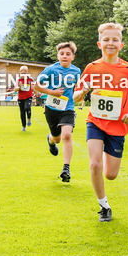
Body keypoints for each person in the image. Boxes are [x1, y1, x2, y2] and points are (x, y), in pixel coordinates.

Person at [74, 23, 128, 222]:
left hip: (118, 125)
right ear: (99, 43)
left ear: (121, 44)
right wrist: (84, 90)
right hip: (95, 122)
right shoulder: (92, 68)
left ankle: (106, 153)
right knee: (95, 165)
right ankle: (104, 206)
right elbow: (77, 97)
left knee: (110, 174)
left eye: (115, 40)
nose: (110, 43)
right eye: (106, 39)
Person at [35, 42, 82, 182]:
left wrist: (83, 92)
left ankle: (66, 168)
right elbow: (36, 85)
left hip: (67, 108)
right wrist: (51, 92)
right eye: (62, 54)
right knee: (57, 138)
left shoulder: (76, 71)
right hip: (51, 108)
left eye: (68, 54)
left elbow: (79, 89)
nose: (65, 56)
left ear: (73, 57)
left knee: (67, 135)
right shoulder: (50, 69)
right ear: (58, 56)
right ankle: (50, 140)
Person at [12, 65, 34, 131]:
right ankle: (24, 126)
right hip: (21, 98)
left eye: (25, 73)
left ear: (27, 73)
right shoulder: (18, 80)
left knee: (27, 108)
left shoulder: (30, 79)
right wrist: (19, 87)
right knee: (22, 112)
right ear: (20, 73)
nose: (23, 74)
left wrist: (35, 91)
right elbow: (15, 89)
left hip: (28, 97)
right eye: (22, 73)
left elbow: (33, 87)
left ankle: (29, 118)